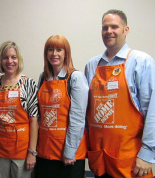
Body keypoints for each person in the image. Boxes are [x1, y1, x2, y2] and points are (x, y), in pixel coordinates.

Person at [85, 9, 155, 178]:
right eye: (105, 27)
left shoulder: (141, 62)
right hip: (99, 161)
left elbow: (152, 111)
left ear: (126, 30)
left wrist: (147, 154)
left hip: (131, 162)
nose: (109, 31)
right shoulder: (91, 65)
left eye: (114, 27)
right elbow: (86, 112)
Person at [35, 35, 88, 178]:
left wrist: (69, 152)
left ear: (66, 53)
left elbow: (78, 120)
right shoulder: (43, 77)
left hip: (68, 154)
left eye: (59, 49)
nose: (54, 54)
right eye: (50, 49)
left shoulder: (76, 78)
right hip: (44, 150)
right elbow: (40, 116)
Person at [0, 41, 39, 178]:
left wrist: (32, 152)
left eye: (13, 57)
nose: (10, 61)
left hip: (22, 151)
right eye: (5, 57)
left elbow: (34, 120)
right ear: (0, 60)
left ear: (18, 59)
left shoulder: (28, 83)